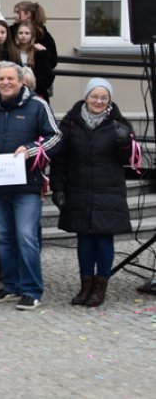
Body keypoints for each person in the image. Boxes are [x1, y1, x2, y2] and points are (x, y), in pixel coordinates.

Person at [0, 61, 61, 310]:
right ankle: (11, 285)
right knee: (4, 238)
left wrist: (31, 150)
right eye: (1, 79)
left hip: (27, 185)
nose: (5, 83)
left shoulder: (37, 105)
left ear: (21, 82)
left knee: (26, 236)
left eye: (10, 79)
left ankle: (31, 289)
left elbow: (55, 137)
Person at [51, 78, 136, 308]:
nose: (98, 101)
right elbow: (59, 158)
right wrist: (57, 187)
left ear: (109, 100)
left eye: (103, 97)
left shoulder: (120, 123)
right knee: (84, 239)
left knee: (104, 238)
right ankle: (85, 284)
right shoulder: (70, 123)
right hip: (78, 187)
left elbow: (129, 161)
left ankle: (100, 286)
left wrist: (123, 144)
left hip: (108, 189)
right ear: (86, 97)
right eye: (94, 96)